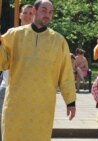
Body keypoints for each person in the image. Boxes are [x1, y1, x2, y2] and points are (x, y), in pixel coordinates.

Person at [0, 0, 76, 140]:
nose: (47, 14)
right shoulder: (13, 35)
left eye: (50, 12)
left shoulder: (58, 41)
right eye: (44, 10)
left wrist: (70, 102)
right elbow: (2, 63)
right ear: (34, 11)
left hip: (43, 106)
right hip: (16, 104)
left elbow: (66, 73)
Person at [0, 3, 34, 140]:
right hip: (7, 86)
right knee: (4, 124)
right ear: (19, 15)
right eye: (25, 13)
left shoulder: (40, 38)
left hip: (27, 89)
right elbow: (3, 62)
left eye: (30, 13)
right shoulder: (10, 34)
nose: (27, 16)